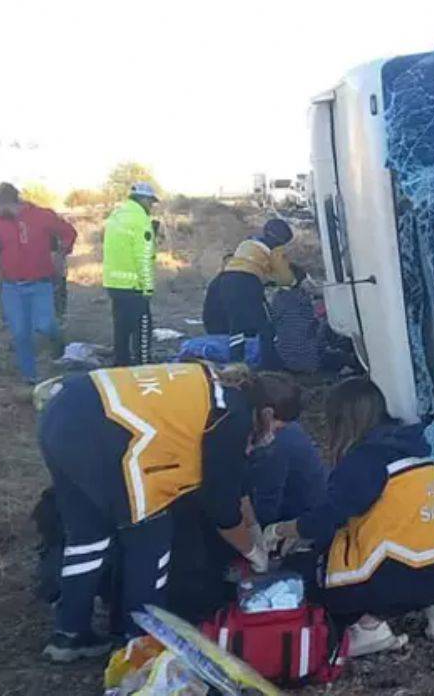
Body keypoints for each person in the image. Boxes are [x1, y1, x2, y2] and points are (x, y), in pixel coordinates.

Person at [36, 362, 276, 662]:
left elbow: (231, 482)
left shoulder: (208, 382)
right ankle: (139, 643)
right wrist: (254, 552)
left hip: (63, 410)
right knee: (150, 537)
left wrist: (252, 526)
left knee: (88, 534)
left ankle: (69, 634)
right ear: (267, 414)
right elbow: (221, 507)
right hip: (106, 433)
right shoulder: (233, 416)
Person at [265, 377, 434, 658]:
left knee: (308, 571)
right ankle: (428, 601)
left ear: (343, 420)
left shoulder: (364, 460)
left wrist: (281, 531)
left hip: (404, 567)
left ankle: (369, 625)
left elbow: (329, 517)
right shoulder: (415, 451)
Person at [0, 182, 77, 384]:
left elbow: (68, 232)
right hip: (11, 286)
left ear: (5, 202)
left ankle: (58, 341)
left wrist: (60, 253)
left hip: (40, 282)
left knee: (45, 324)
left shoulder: (41, 216)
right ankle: (30, 376)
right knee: (21, 332)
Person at [202, 218, 296, 361]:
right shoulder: (275, 251)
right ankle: (266, 363)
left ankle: (228, 362)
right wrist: (293, 279)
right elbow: (285, 278)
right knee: (263, 326)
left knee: (232, 324)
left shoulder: (246, 244)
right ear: (282, 240)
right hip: (245, 283)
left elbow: (243, 263)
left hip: (221, 280)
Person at [245, 372, 327, 526]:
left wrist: (256, 533)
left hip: (299, 517)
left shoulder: (274, 445)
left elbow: (267, 503)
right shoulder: (286, 428)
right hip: (306, 503)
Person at [103, 182, 159, 366]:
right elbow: (142, 257)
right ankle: (143, 367)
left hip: (113, 283)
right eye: (150, 202)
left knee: (121, 329)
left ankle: (121, 366)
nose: (151, 207)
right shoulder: (140, 220)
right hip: (134, 286)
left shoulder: (116, 216)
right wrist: (148, 287)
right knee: (142, 330)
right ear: (143, 200)